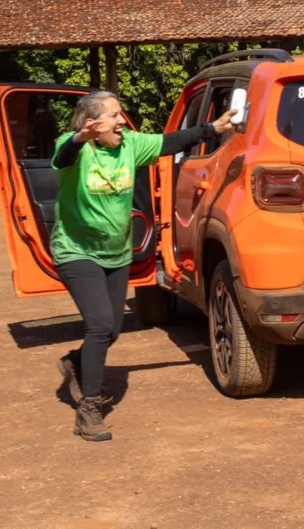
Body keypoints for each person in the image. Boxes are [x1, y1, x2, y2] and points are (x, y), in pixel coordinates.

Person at [52, 90, 239, 442]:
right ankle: (89, 410)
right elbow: (63, 158)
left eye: (120, 114)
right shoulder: (75, 147)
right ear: (92, 123)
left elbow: (171, 141)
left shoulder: (130, 144)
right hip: (76, 251)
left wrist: (213, 127)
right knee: (100, 325)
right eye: (114, 116)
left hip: (117, 252)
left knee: (111, 331)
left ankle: (77, 362)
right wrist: (80, 138)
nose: (122, 121)